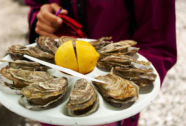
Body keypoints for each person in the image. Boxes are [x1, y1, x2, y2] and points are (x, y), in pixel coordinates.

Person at [24, 0, 177, 126]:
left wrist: (120, 96)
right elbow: (36, 4)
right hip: (52, 102)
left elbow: (158, 46)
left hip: (112, 111)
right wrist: (40, 17)